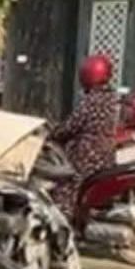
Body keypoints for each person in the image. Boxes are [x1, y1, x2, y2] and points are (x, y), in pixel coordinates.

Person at [50, 54, 119, 218]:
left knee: (65, 183)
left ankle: (65, 219)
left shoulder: (91, 101)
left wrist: (55, 134)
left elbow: (72, 126)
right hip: (106, 154)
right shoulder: (111, 98)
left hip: (88, 156)